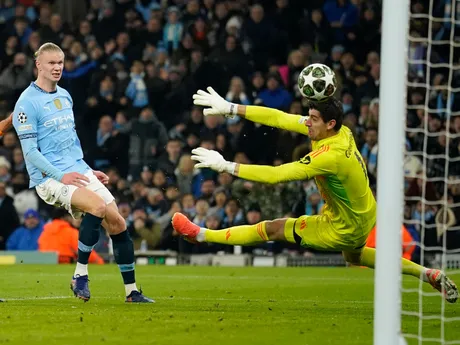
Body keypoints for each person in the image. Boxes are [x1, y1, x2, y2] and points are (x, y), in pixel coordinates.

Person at [172, 87, 458, 304]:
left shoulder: (329, 156)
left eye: (314, 119)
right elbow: (280, 117)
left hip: (343, 227)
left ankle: (200, 234)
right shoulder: (342, 132)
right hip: (365, 213)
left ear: (329, 124)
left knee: (273, 228)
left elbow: (276, 176)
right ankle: (427, 274)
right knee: (355, 255)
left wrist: (226, 166)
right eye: (308, 117)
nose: (307, 123)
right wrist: (230, 107)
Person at [9, 42, 153, 303]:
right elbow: (30, 153)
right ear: (38, 65)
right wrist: (61, 175)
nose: (57, 67)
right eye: (51, 63)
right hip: (49, 177)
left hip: (77, 169)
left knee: (118, 223)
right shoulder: (26, 103)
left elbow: (69, 140)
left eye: (60, 63)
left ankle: (131, 292)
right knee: (97, 207)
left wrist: (87, 168)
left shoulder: (65, 95)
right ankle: (80, 275)